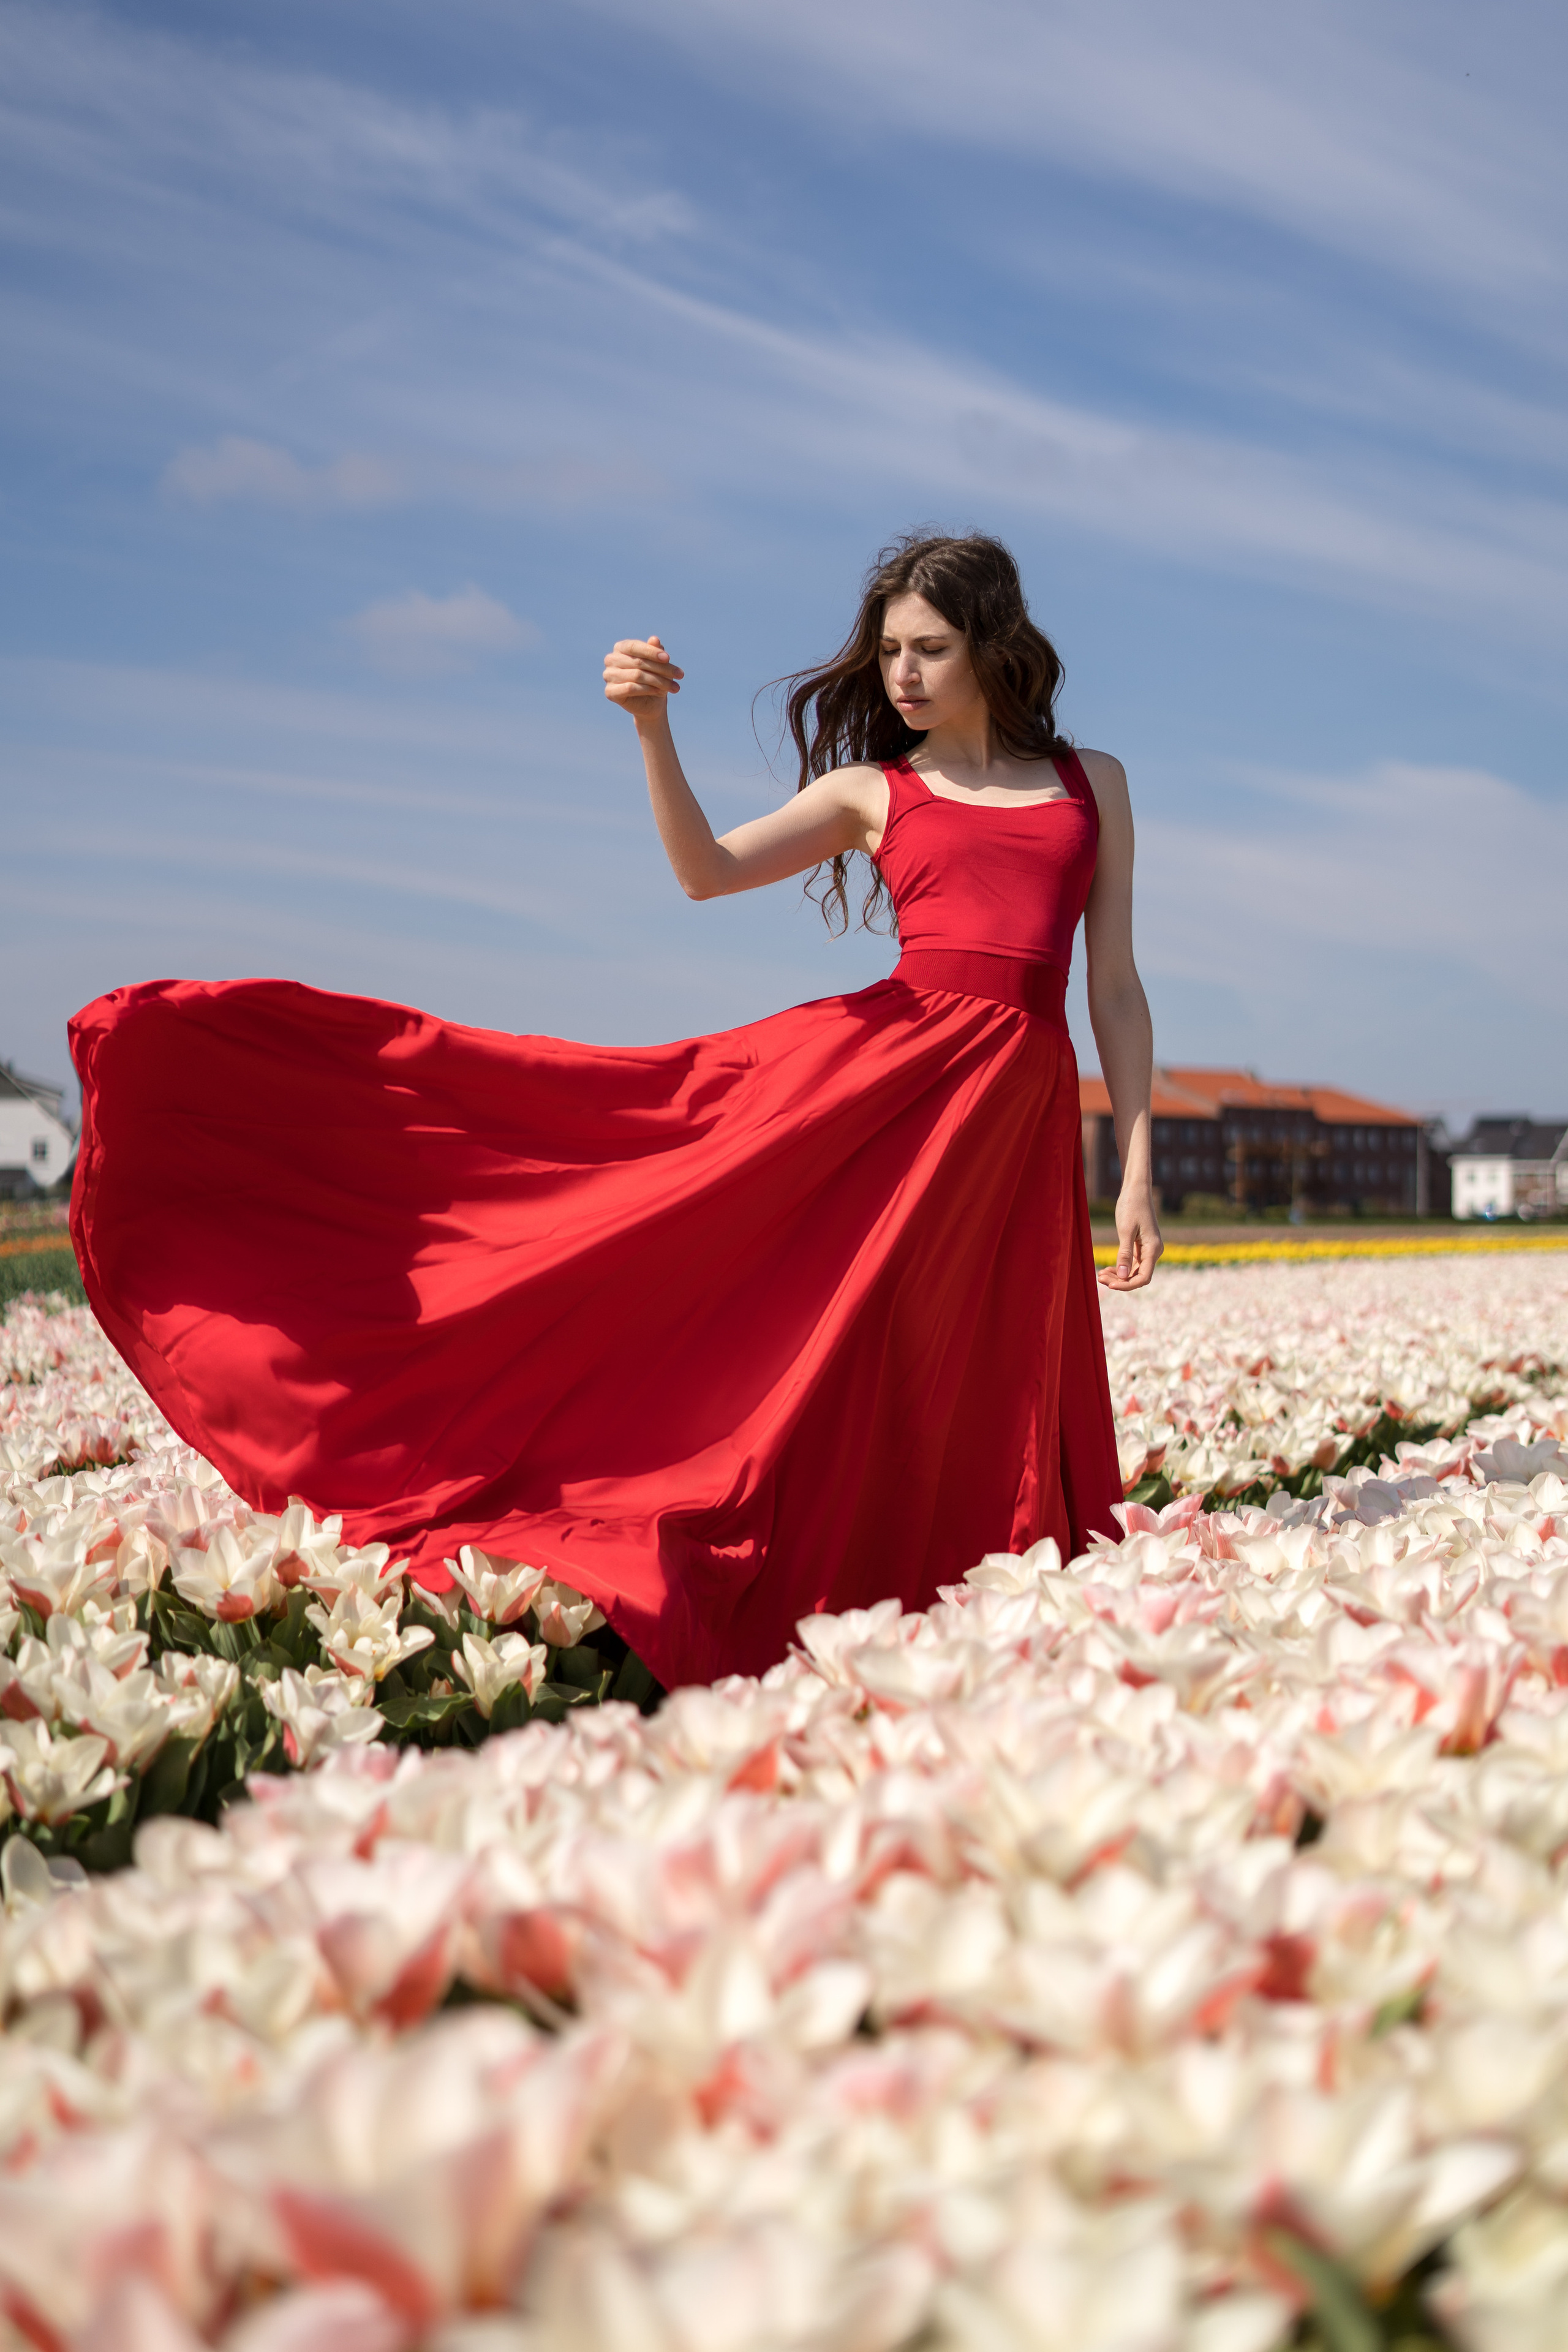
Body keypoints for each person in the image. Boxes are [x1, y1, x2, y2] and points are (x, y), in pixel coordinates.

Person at [69, 530, 1160, 1691]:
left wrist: (1135, 1165)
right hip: (886, 1097)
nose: (901, 673)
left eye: (930, 648)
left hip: (1018, 1109)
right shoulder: (870, 792)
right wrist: (653, 731)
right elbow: (705, 870)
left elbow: (1116, 988)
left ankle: (980, 1608)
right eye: (889, 649)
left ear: (994, 644)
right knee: (831, 1332)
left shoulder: (1094, 785)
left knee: (977, 1354)